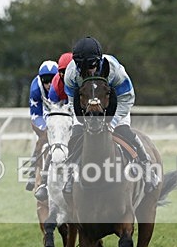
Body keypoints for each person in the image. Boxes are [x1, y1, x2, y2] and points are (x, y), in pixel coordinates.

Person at [62, 36, 159, 193]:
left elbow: (127, 99)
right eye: (83, 66)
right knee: (75, 136)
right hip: (87, 111)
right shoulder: (71, 74)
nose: (88, 70)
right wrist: (83, 121)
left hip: (116, 106)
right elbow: (73, 103)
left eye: (92, 65)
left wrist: (112, 123)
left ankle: (146, 166)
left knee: (124, 132)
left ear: (99, 60)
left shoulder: (114, 70)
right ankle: (70, 174)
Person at [25, 59, 59, 198]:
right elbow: (35, 115)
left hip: (60, 116)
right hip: (42, 116)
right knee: (43, 139)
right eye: (45, 80)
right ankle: (33, 173)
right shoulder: (35, 88)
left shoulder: (64, 85)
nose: (49, 84)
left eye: (52, 79)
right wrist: (46, 129)